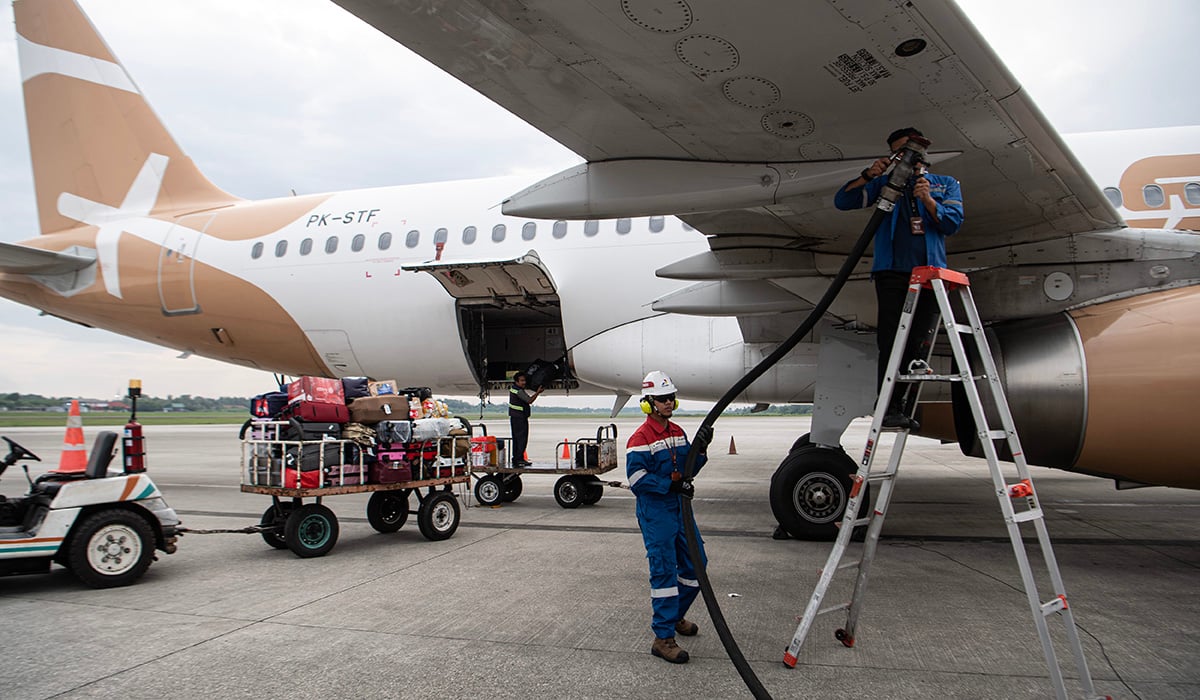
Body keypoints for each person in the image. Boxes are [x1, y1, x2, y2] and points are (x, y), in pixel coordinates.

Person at [834, 127, 964, 430]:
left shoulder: (945, 185)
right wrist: (868, 174)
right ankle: (888, 404)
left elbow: (952, 223)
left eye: (910, 149)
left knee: (918, 342)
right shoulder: (884, 185)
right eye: (899, 152)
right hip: (892, 272)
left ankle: (903, 405)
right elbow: (843, 201)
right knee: (891, 339)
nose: (906, 157)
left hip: (929, 274)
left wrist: (929, 201)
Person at [626, 371, 714, 664]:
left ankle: (675, 616)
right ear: (648, 403)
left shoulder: (677, 432)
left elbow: (690, 468)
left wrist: (701, 448)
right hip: (656, 513)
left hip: (679, 508)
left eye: (670, 397)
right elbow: (637, 478)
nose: (668, 402)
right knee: (664, 573)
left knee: (697, 564)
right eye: (662, 398)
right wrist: (669, 485)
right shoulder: (640, 438)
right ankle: (663, 638)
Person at [508, 371, 542, 467]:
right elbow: (529, 400)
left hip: (515, 418)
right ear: (516, 381)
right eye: (522, 381)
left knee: (516, 439)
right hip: (519, 419)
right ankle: (519, 459)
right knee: (522, 439)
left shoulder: (514, 389)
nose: (524, 382)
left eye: (524, 380)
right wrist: (538, 392)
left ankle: (516, 459)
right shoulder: (518, 391)